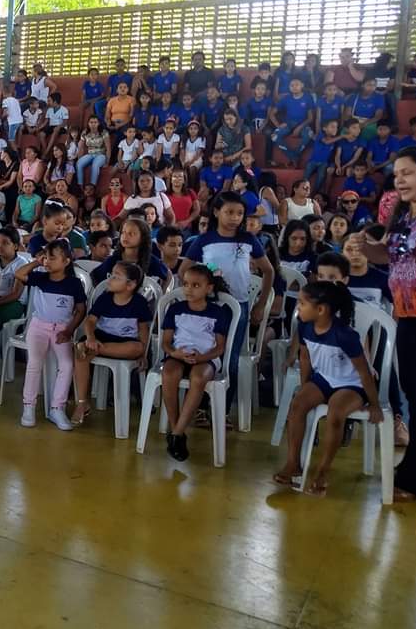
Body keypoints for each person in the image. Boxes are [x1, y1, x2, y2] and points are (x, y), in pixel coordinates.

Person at [349, 146, 416, 500]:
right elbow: (388, 258)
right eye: (397, 173)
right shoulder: (404, 217)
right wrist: (364, 247)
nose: (399, 179)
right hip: (408, 316)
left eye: (409, 172)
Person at [273, 281, 379, 496]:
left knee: (335, 413)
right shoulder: (304, 327)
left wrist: (375, 404)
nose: (297, 307)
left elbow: (364, 372)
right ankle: (293, 463)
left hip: (352, 384)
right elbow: (305, 358)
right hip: (324, 379)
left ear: (320, 310)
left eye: (302, 303)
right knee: (298, 405)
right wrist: (306, 388)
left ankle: (322, 471)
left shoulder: (345, 335)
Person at [179, 191, 273, 426]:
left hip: (238, 307)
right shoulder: (204, 240)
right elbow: (184, 271)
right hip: (207, 307)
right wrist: (205, 282)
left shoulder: (249, 240)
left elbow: (269, 271)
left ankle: (221, 410)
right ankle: (200, 407)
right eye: (229, 212)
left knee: (229, 358)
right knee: (204, 355)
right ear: (216, 212)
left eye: (239, 213)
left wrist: (260, 305)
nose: (234, 218)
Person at [12, 241, 87, 431]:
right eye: (46, 257)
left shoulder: (74, 283)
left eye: (52, 258)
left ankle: (57, 408)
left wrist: (69, 330)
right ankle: (28, 406)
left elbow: (80, 310)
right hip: (38, 327)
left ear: (66, 261)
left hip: (61, 330)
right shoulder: (40, 278)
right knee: (35, 362)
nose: (48, 261)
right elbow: (19, 274)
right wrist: (37, 262)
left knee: (67, 364)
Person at [160, 265, 232, 461]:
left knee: (198, 378)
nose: (189, 289)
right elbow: (165, 342)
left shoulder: (218, 312)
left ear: (208, 288)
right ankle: (177, 432)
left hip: (206, 357)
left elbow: (220, 347)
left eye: (196, 285)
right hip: (178, 355)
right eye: (186, 284)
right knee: (168, 374)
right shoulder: (175, 309)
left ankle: (176, 432)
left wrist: (201, 358)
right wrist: (176, 353)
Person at [71, 261, 152, 425]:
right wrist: (91, 338)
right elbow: (90, 322)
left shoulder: (139, 303)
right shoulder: (105, 298)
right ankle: (82, 403)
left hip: (124, 342)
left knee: (136, 348)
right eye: (111, 275)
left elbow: (143, 329)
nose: (110, 279)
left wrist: (143, 353)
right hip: (102, 337)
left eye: (116, 277)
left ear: (130, 285)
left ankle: (95, 350)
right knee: (80, 351)